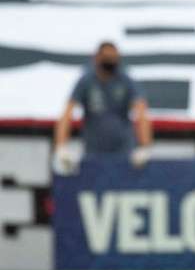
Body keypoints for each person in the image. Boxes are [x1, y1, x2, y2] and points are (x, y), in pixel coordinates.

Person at [53, 41, 152, 174]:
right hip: (94, 149)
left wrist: (144, 147)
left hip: (123, 149)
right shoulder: (86, 81)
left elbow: (141, 111)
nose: (110, 62)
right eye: (106, 58)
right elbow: (67, 113)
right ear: (97, 58)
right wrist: (61, 146)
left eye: (113, 58)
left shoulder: (125, 79)